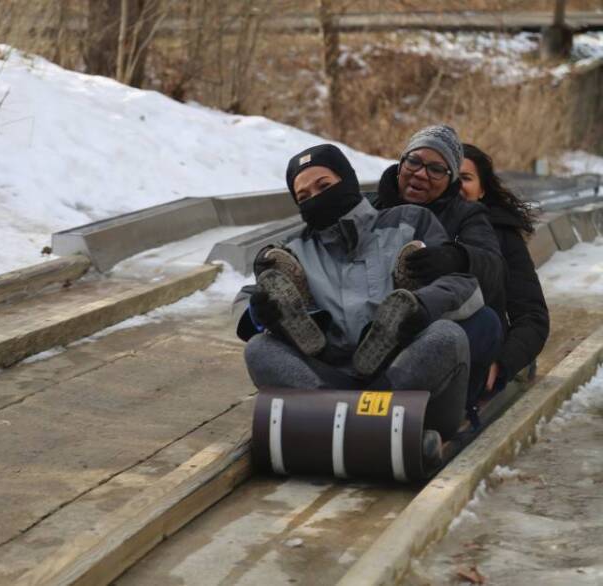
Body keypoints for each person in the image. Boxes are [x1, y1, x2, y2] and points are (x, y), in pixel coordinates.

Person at [235, 143, 484, 446]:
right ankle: (362, 422)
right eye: (304, 196)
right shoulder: (294, 249)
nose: (317, 198)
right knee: (260, 348)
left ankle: (334, 421)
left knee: (447, 335)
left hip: (401, 375)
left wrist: (423, 305)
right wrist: (257, 313)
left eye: (324, 186)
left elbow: (464, 286)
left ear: (348, 180)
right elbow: (247, 296)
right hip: (330, 377)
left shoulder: (410, 222)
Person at [374, 125, 506, 419]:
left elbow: (493, 267)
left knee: (484, 322)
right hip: (371, 320)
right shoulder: (370, 208)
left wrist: (456, 256)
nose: (421, 174)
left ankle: (434, 408)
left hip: (432, 325)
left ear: (451, 180)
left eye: (436, 169)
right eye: (414, 162)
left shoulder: (467, 215)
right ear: (401, 163)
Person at [459, 143, 550, 392]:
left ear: (482, 190)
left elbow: (532, 315)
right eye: (448, 177)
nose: (456, 186)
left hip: (482, 352)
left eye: (465, 178)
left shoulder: (502, 235)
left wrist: (503, 363)